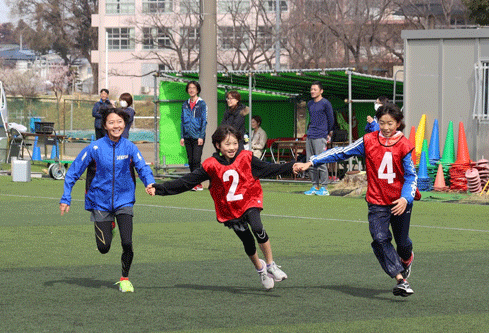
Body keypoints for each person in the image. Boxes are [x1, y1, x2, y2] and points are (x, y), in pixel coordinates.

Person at [294, 103, 419, 297]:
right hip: (377, 201)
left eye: (390, 123)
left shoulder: (405, 145)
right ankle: (401, 279)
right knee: (379, 239)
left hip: (399, 202)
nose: (386, 128)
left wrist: (405, 198)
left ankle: (406, 259)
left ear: (398, 123)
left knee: (402, 244)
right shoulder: (368, 141)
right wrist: (312, 161)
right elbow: (340, 152)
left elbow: (411, 176)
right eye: (382, 123)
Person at [152, 125, 295, 290]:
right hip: (230, 209)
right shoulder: (210, 165)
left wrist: (292, 166)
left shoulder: (246, 158)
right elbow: (186, 182)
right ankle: (260, 269)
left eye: (235, 143)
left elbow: (270, 169)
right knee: (248, 242)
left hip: (249, 200)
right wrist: (159, 189)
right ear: (218, 145)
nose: (232, 147)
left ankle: (271, 265)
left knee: (257, 227)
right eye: (227, 144)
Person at [59, 108, 156, 293]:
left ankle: (125, 278)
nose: (116, 126)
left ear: (125, 124)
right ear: (104, 126)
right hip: (100, 202)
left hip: (124, 200)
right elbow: (73, 171)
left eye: (119, 122)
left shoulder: (129, 147)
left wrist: (150, 183)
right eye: (111, 122)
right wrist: (66, 196)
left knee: (127, 242)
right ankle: (109, 226)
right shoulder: (94, 148)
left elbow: (142, 167)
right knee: (103, 248)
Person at [304, 81, 334, 196]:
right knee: (310, 162)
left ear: (321, 91)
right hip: (310, 135)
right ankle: (314, 186)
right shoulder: (310, 103)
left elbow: (331, 119)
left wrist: (328, 133)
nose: (312, 91)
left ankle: (324, 187)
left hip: (321, 135)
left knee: (321, 162)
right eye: (311, 89)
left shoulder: (326, 103)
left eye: (315, 89)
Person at [180, 81, 208, 191]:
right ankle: (193, 183)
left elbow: (204, 121)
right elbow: (182, 121)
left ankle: (198, 183)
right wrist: (182, 136)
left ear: (197, 90)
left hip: (198, 136)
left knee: (196, 160)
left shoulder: (202, 104)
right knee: (190, 160)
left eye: (194, 88)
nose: (191, 90)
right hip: (187, 136)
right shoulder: (185, 104)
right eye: (190, 88)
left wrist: (201, 136)